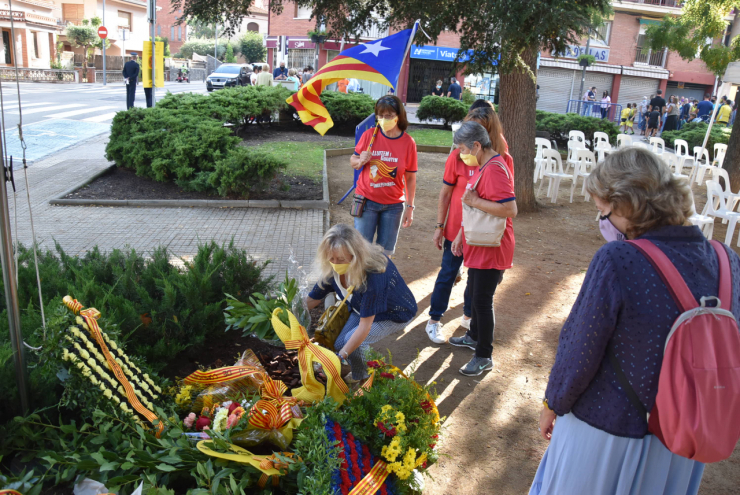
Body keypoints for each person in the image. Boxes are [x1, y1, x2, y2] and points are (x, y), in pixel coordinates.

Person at [530, 147, 740, 495]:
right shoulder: (727, 261)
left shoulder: (619, 259)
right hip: (685, 435)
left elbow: (580, 349)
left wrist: (553, 402)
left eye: (603, 211)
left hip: (608, 433)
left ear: (626, 204)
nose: (601, 222)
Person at [425, 100, 511, 344]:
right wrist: (439, 226)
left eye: (478, 130)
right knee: (449, 272)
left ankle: (469, 318)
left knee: (476, 280)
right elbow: (446, 193)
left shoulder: (501, 159)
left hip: (484, 232)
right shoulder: (458, 155)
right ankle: (434, 319)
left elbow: (507, 203)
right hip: (456, 228)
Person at [447, 121, 517, 376]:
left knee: (482, 300)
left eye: (462, 148)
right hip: (480, 243)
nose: (459, 153)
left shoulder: (495, 169)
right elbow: (473, 209)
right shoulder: (483, 165)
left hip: (493, 247)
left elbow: (510, 210)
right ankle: (474, 335)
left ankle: (484, 355)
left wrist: (476, 200)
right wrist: (459, 235)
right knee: (474, 294)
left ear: (477, 145)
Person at [306, 224, 417, 380]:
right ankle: (365, 364)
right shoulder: (332, 267)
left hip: (391, 314)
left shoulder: (374, 275)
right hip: (361, 308)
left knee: (354, 345)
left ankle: (361, 377)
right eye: (331, 258)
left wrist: (340, 358)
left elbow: (365, 326)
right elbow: (313, 298)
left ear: (356, 255)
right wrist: (287, 314)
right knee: (340, 344)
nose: (335, 263)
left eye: (341, 259)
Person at [351, 95, 417, 255]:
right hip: (367, 201)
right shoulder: (369, 135)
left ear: (399, 117)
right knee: (361, 252)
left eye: (389, 116)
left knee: (384, 255)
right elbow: (353, 160)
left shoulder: (408, 142)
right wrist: (360, 160)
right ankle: (360, 281)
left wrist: (410, 207)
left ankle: (380, 280)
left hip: (393, 206)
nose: (383, 119)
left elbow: (410, 177)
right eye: (380, 116)